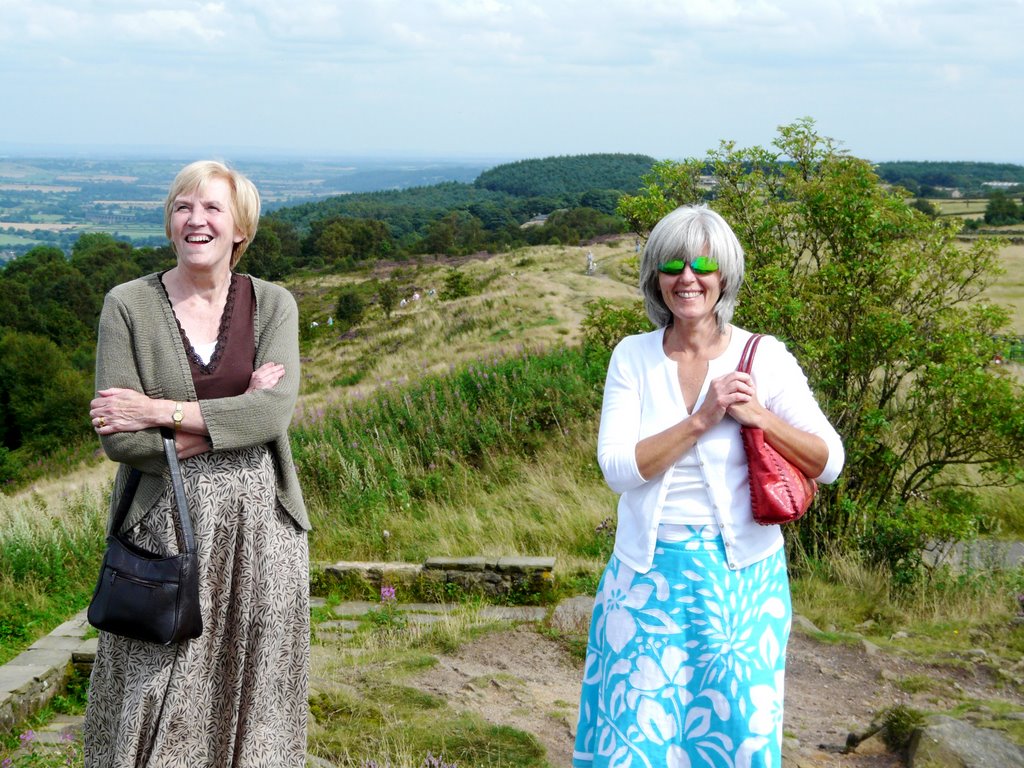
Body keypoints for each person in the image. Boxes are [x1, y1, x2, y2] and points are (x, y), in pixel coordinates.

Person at [573, 204, 844, 768]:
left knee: (735, 735)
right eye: (672, 263)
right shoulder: (633, 357)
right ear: (655, 275)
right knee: (632, 737)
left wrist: (760, 417)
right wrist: (702, 418)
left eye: (702, 264)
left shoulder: (764, 357)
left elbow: (829, 462)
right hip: (645, 578)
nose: (687, 277)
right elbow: (618, 469)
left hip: (741, 581)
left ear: (725, 276)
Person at [84, 160, 310, 767]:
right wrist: (231, 415)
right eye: (184, 207)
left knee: (254, 681)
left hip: (263, 530)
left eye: (212, 208)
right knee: (157, 680)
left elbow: (273, 416)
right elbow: (117, 436)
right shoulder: (127, 306)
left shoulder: (274, 305)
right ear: (170, 222)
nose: (196, 220)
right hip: (164, 524)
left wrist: (161, 412)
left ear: (240, 227)